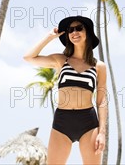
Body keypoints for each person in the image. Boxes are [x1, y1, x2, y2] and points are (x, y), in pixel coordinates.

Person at [23, 15, 107, 165]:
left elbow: (102, 101)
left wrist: (102, 133)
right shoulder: (61, 60)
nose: (74, 32)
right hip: (62, 121)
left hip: (88, 122)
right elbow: (28, 57)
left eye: (79, 28)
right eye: (70, 30)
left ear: (87, 32)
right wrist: (49, 37)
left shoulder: (99, 66)